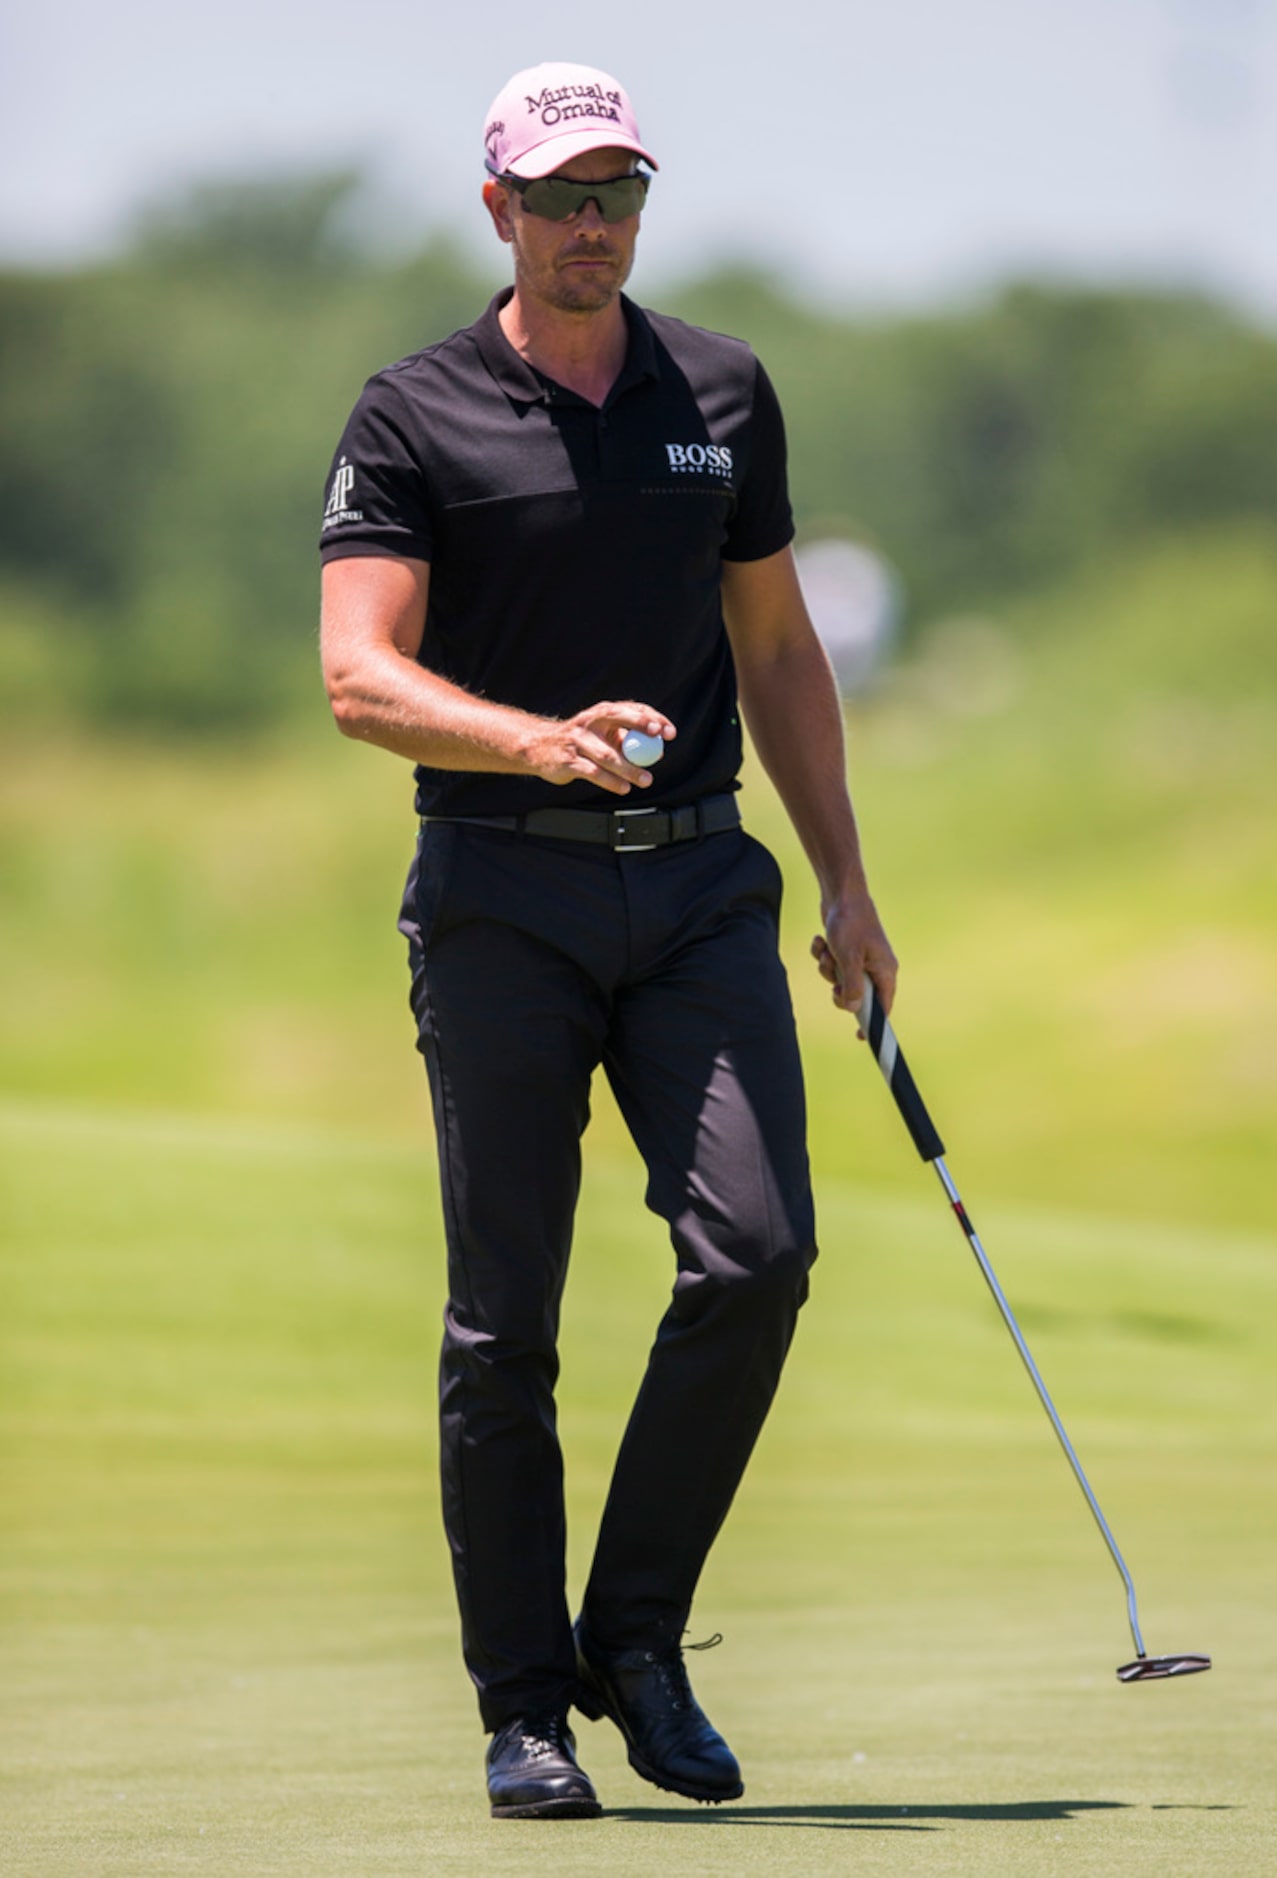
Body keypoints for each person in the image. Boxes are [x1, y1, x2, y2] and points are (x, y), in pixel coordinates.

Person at [318, 60, 898, 1822]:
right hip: (501, 887)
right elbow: (357, 674)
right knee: (507, 1322)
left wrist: (848, 885)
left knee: (759, 1253)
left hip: (704, 885)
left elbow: (784, 653)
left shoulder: (717, 389)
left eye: (619, 193)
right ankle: (524, 1709)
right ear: (496, 207)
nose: (594, 225)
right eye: (562, 196)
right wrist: (530, 736)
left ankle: (632, 1637)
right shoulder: (416, 412)